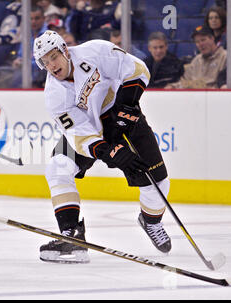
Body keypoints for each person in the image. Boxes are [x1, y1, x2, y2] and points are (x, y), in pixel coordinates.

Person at [32, 30, 171, 263]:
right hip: (90, 129)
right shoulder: (54, 96)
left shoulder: (95, 51)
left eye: (53, 57)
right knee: (57, 167)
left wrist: (127, 106)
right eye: (45, 63)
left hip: (123, 116)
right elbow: (80, 136)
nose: (51, 66)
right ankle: (71, 234)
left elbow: (137, 70)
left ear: (65, 50)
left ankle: (151, 221)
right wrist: (109, 151)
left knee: (158, 184)